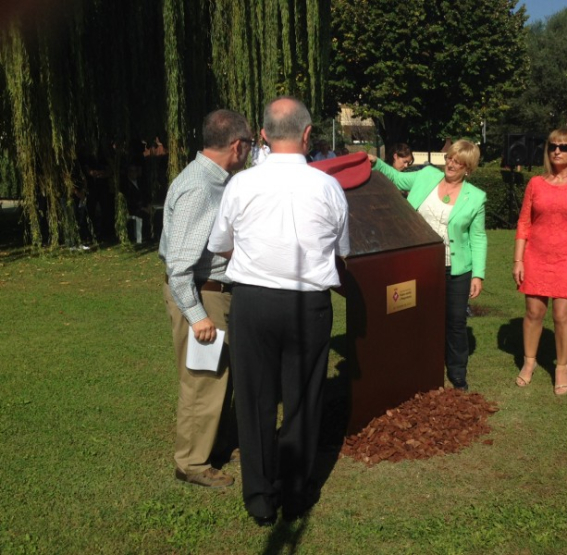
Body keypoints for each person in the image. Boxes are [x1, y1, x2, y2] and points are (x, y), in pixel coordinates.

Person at [208, 96, 350, 526]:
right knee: (304, 398)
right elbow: (340, 250)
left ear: (264, 135)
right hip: (308, 303)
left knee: (254, 399)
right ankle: (296, 490)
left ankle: (260, 496)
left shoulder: (240, 184)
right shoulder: (329, 187)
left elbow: (221, 244)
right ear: (308, 135)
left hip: (253, 301)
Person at [159, 109, 252, 487]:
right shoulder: (200, 187)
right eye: (248, 144)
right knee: (202, 380)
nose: (249, 151)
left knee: (218, 376)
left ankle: (214, 445)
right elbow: (179, 264)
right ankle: (192, 465)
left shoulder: (214, 180)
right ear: (236, 146)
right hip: (201, 294)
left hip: (211, 292)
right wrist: (198, 316)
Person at [368, 140, 487, 391]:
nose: (451, 164)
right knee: (417, 318)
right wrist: (376, 163)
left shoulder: (476, 197)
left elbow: (478, 237)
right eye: (450, 158)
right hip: (419, 264)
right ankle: (416, 366)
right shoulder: (426, 175)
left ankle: (457, 374)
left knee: (455, 322)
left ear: (468, 168)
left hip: (455, 269)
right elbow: (397, 179)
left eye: (458, 162)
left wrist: (478, 274)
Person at [512, 126, 567, 395]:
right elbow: (524, 223)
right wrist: (518, 260)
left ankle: (562, 367)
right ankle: (529, 363)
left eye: (564, 147)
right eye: (552, 146)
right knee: (534, 312)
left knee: (562, 315)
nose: (557, 152)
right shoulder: (536, 184)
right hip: (536, 256)